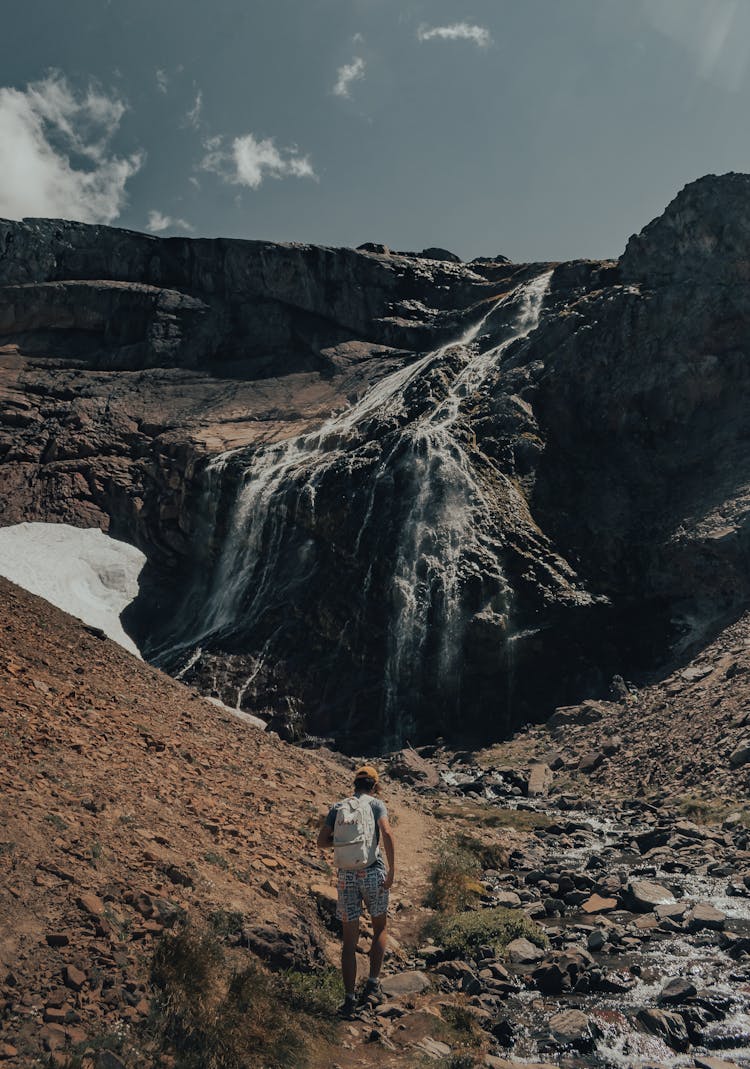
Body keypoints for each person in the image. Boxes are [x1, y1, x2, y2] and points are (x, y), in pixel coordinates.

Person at [317, 764, 395, 1017]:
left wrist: (342, 843)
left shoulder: (338, 807)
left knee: (348, 941)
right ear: (375, 785)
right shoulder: (376, 804)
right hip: (373, 872)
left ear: (354, 784)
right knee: (380, 927)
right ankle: (372, 984)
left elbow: (321, 841)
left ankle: (349, 1000)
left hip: (346, 877)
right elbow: (387, 833)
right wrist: (392, 870)